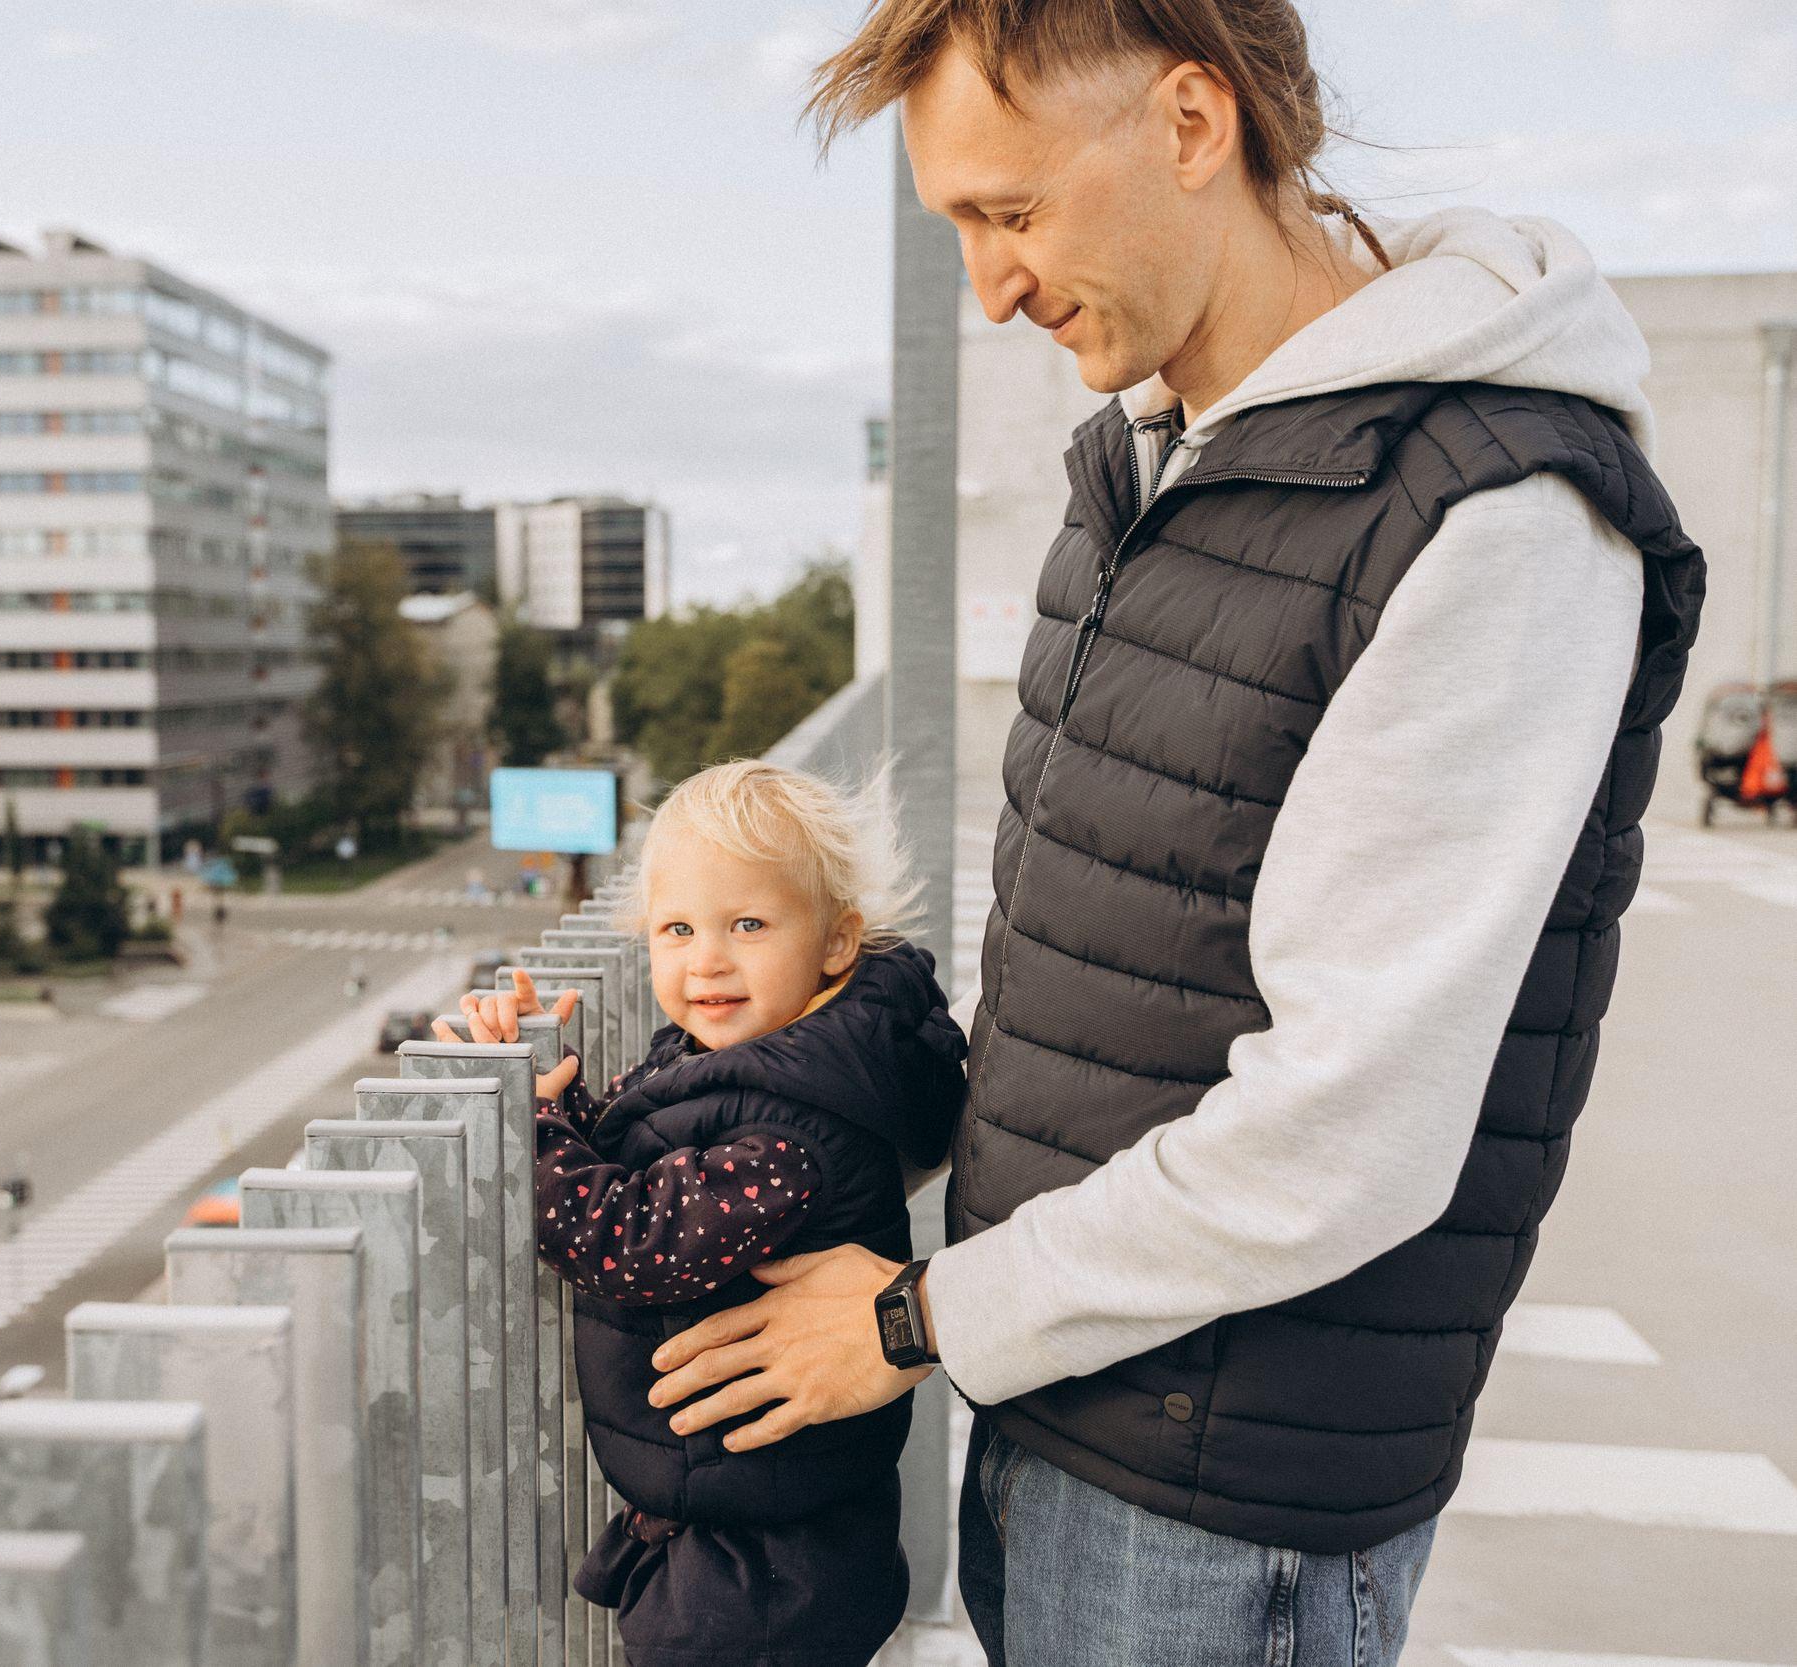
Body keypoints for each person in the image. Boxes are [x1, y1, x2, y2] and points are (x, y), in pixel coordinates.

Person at [642, 4, 1706, 1664]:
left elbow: (1350, 1131)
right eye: (959, 231)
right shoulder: (1151, 466)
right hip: (1073, 1398)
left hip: (1227, 1494)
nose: (992, 287)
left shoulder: (1493, 517)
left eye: (1011, 213)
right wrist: (733, 1101)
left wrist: (920, 1320)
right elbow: (1102, 992)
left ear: (1192, 124)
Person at [441, 761, 966, 1667]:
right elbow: (640, 1157)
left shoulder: (788, 1127)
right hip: (747, 1529)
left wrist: (522, 1130)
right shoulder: (751, 1061)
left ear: (837, 943)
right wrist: (551, 1093)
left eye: (748, 924)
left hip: (763, 1572)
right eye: (677, 928)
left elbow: (634, 1236)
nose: (706, 958)